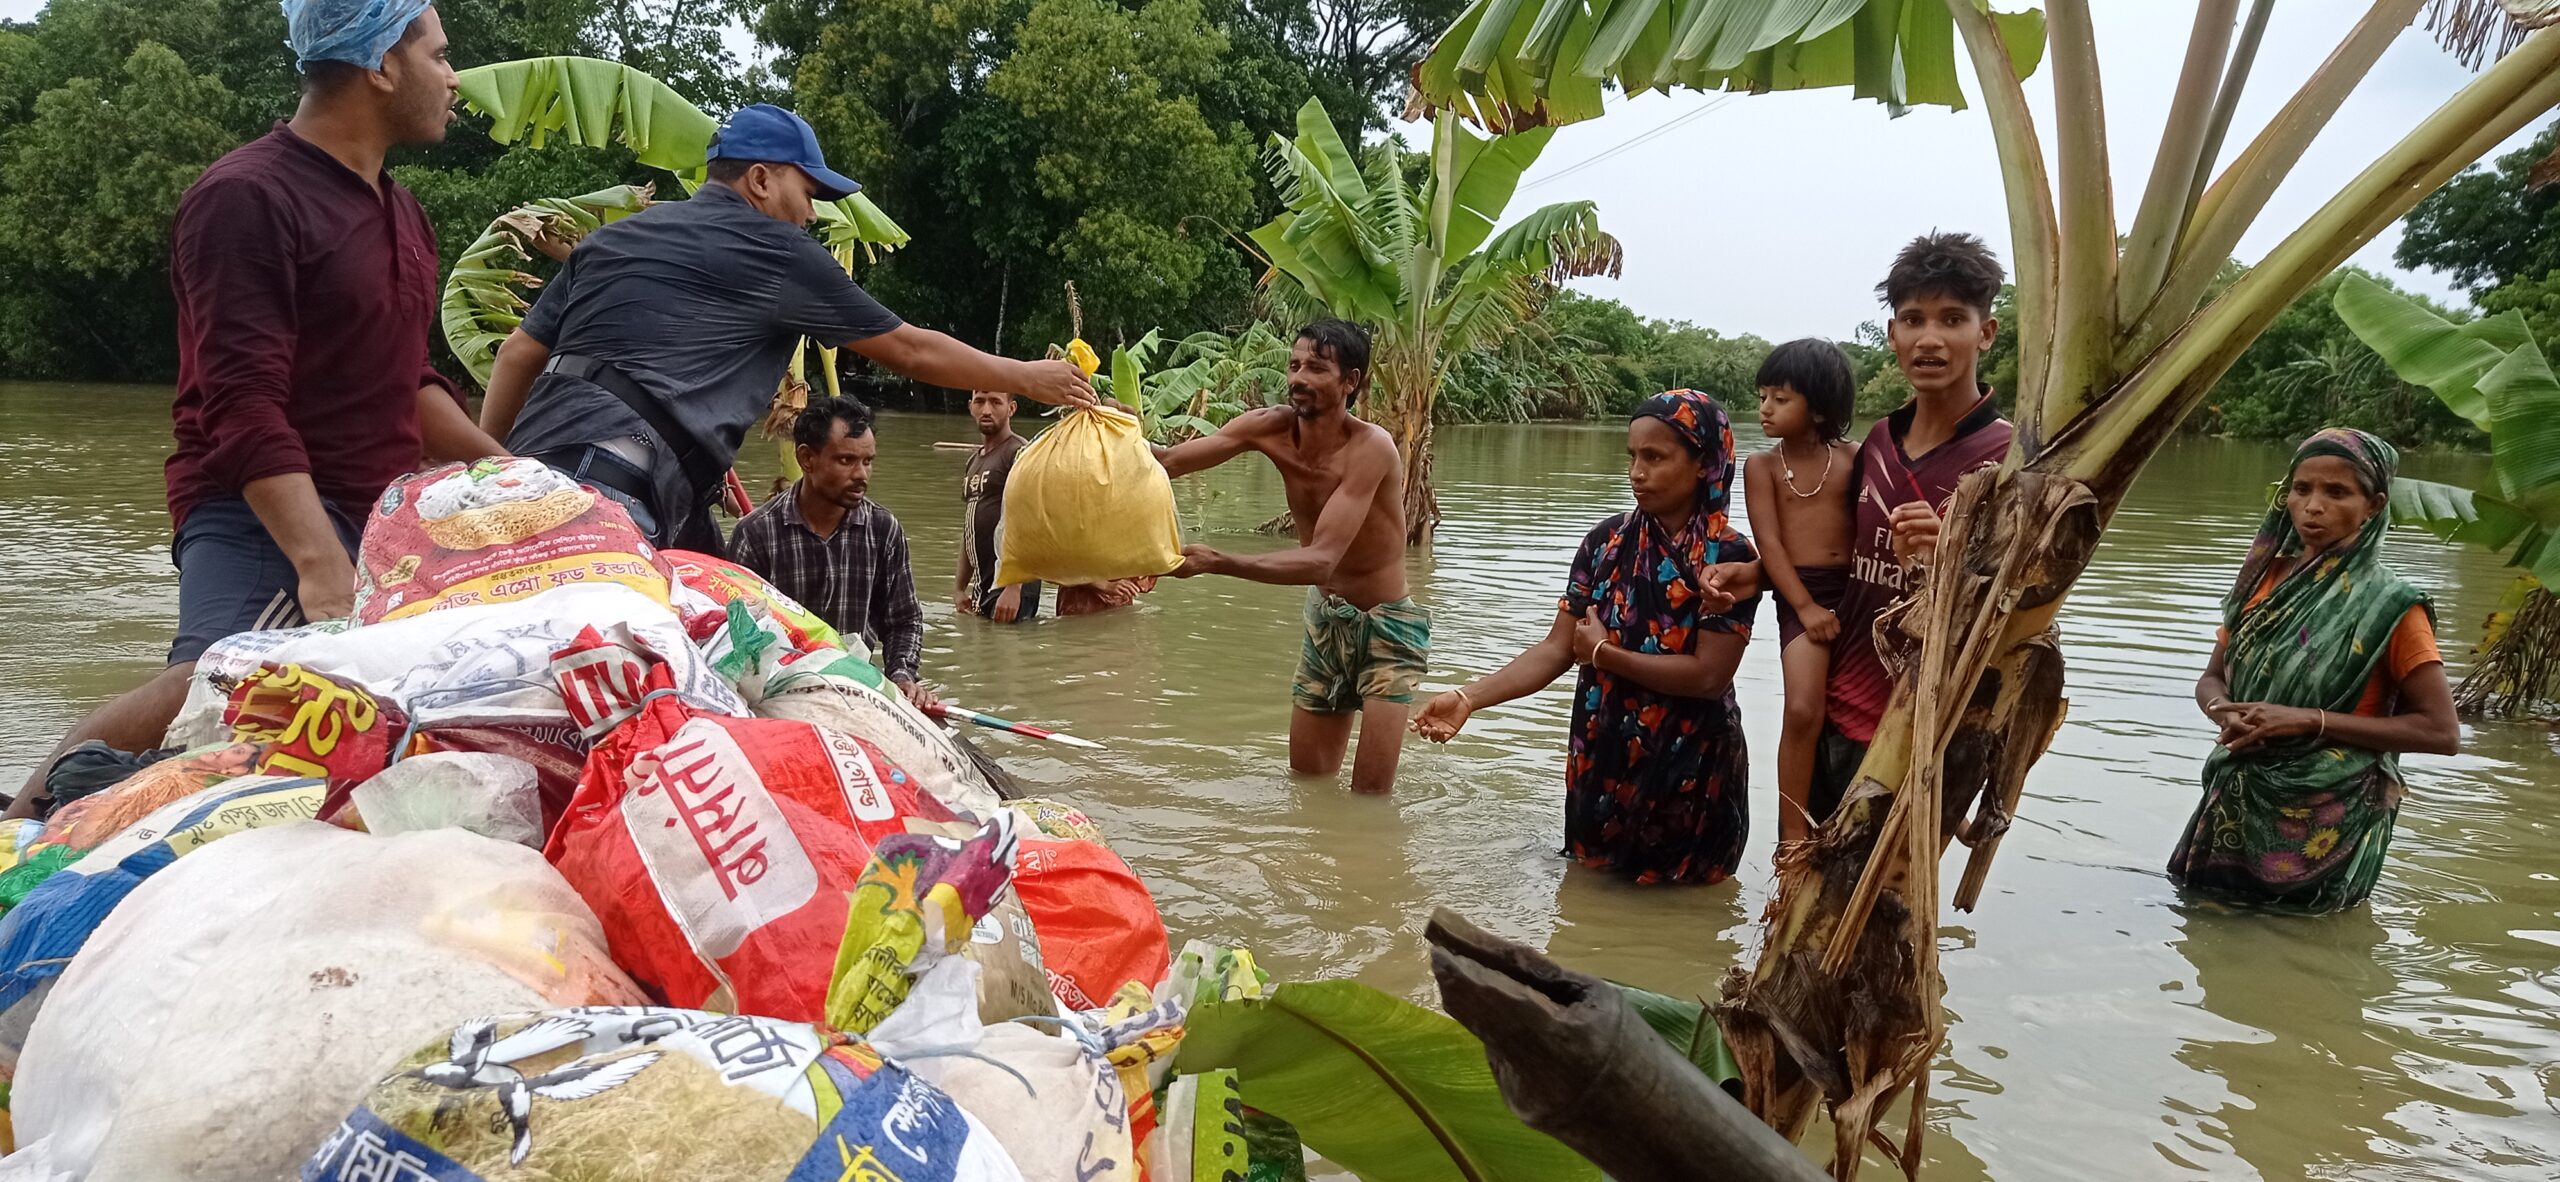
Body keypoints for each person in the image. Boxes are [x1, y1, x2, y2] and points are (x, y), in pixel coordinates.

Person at [9, 0, 498, 815]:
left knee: (333, 726)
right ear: (381, 65)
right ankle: (24, 823)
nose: (453, 78)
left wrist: (511, 471)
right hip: (263, 509)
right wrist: (318, 565)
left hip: (374, 509)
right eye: (440, 56)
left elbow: (404, 380)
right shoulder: (245, 198)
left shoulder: (401, 212)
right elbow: (241, 404)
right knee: (220, 677)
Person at [477, 102, 1093, 553]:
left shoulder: (614, 237)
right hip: (616, 484)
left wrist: (487, 465)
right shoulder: (776, 248)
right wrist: (1026, 376)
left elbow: (517, 353)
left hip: (529, 467)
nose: (812, 211)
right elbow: (908, 349)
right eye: (808, 189)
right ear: (762, 179)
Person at [1413, 391, 1762, 885]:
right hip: (1603, 761)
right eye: (1632, 457)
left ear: (1704, 463)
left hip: (1692, 773)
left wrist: (1603, 654)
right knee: (1584, 909)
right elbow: (1558, 647)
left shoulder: (1729, 559)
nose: (1637, 472)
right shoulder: (1607, 542)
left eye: (1655, 457)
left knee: (1684, 914)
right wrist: (1469, 697)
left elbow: (1707, 677)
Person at [2170, 428, 2459, 911]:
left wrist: (2308, 720)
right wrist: (2224, 712)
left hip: (2327, 819)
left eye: (2337, 492)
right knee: (2205, 937)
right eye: (2301, 489)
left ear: (2374, 505)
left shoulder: (2392, 608)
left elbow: (2441, 732)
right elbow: (2211, 678)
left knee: (2306, 933)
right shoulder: (2262, 584)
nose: (2312, 506)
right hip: (2233, 802)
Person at [1157, 320, 1425, 795]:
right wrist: (1110, 428)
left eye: (1317, 368)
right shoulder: (1270, 427)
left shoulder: (1371, 448)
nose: (1298, 378)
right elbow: (1170, 462)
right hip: (1325, 619)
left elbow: (1321, 560)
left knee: (1369, 799)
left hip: (1387, 627)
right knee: (1306, 788)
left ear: (1350, 382)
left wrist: (1217, 561)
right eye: (1294, 365)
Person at [728, 397, 936, 710]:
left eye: (868, 461)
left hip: (854, 688)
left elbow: (903, 621)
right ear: (807, 459)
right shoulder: (757, 533)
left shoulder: (883, 529)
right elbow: (736, 632)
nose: (862, 475)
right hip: (777, 694)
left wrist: (902, 675)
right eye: (846, 461)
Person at [1741, 339, 1859, 844]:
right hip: (1800, 592)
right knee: (1804, 708)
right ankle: (1791, 836)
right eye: (1764, 395)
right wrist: (1805, 606)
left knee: (1872, 706)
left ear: (1819, 407)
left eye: (1780, 398)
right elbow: (1769, 544)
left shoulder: (1856, 459)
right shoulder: (1762, 467)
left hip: (1860, 589)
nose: (1765, 408)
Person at [955, 389, 1041, 622]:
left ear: (1011, 408)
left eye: (995, 402)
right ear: (970, 406)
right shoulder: (973, 461)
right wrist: (960, 588)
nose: (986, 410)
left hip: (1011, 587)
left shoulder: (1019, 452)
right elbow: (970, 527)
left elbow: (1031, 521)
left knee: (1009, 653)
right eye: (980, 402)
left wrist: (1014, 587)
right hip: (983, 585)